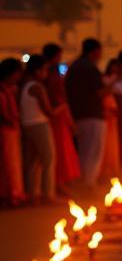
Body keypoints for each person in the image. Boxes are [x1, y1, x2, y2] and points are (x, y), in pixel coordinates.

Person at [65, 38, 106, 186]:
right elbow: (100, 92)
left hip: (77, 114)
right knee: (93, 152)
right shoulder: (90, 68)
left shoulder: (73, 67)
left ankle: (83, 181)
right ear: (95, 51)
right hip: (93, 114)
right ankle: (89, 183)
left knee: (83, 152)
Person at [41, 43, 80, 192]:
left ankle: (61, 182)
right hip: (57, 116)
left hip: (56, 115)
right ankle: (59, 183)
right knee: (61, 150)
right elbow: (59, 98)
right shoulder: (51, 74)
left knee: (63, 149)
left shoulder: (49, 73)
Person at [19, 54, 57, 203]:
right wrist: (61, 108)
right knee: (48, 159)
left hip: (27, 125)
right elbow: (49, 111)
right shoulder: (37, 87)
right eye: (45, 70)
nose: (46, 73)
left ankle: (33, 194)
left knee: (32, 162)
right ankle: (48, 194)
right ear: (37, 70)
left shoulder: (25, 84)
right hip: (39, 124)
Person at [0, 57, 27, 206]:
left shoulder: (10, 89)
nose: (19, 77)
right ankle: (10, 195)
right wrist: (14, 119)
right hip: (6, 131)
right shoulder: (3, 90)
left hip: (12, 131)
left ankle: (14, 194)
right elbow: (5, 115)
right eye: (17, 73)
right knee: (8, 165)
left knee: (14, 164)